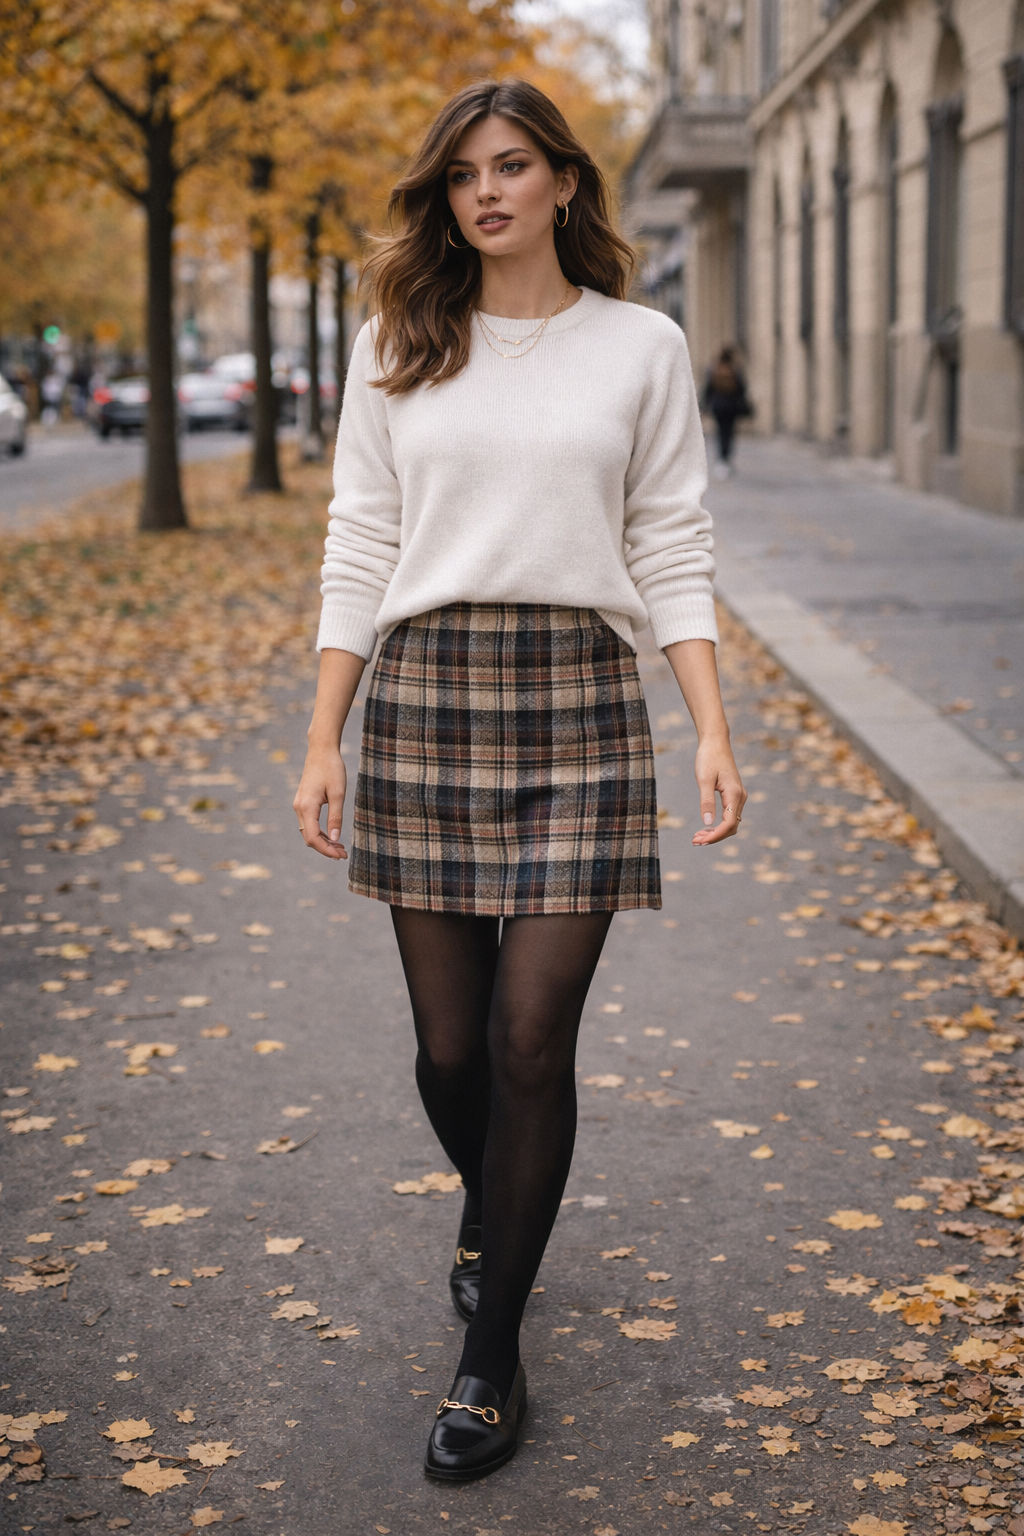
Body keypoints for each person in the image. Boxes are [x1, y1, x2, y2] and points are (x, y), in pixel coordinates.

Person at [293, 78, 745, 1483]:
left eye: (511, 167)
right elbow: (359, 542)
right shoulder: (401, 341)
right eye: (461, 176)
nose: (485, 192)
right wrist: (323, 735)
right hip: (428, 700)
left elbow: (670, 536)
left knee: (529, 1042)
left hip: (581, 707)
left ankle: (492, 1364)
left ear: (561, 180)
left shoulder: (643, 346)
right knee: (449, 1051)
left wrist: (712, 725)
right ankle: (494, 1215)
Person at [702, 345, 750, 478]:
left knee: (720, 432)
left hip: (718, 406)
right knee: (729, 433)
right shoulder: (735, 370)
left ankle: (721, 461)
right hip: (731, 407)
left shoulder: (713, 370)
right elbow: (742, 389)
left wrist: (705, 405)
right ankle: (726, 459)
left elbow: (708, 389)